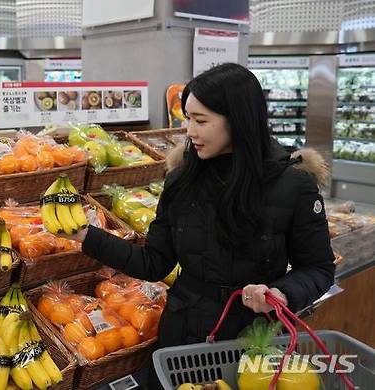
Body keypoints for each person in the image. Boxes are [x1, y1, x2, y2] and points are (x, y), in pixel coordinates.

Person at [68, 63, 335, 384]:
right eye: (188, 119)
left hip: (252, 340)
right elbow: (154, 263)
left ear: (238, 121)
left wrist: (281, 292)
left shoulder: (292, 185)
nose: (189, 131)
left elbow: (319, 269)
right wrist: (86, 234)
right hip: (183, 334)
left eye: (201, 121)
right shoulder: (183, 180)